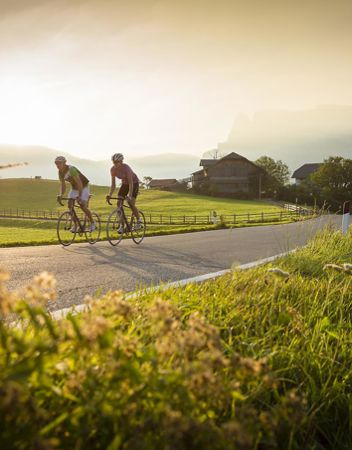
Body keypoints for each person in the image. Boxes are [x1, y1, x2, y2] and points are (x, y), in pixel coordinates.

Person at [54, 156, 96, 232]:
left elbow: (79, 183)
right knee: (70, 205)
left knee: (82, 205)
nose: (57, 165)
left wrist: (79, 196)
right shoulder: (60, 172)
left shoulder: (71, 169)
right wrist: (61, 195)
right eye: (56, 163)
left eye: (59, 163)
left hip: (83, 187)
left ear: (64, 163)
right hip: (74, 188)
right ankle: (76, 224)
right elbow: (63, 185)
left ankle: (92, 222)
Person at [106, 153, 142, 230]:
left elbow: (131, 183)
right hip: (124, 184)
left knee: (130, 203)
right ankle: (123, 225)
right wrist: (109, 195)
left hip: (134, 183)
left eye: (116, 162)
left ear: (121, 161)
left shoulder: (126, 168)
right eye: (113, 162)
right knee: (119, 203)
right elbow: (113, 185)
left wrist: (129, 196)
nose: (114, 164)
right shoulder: (112, 169)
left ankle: (139, 220)